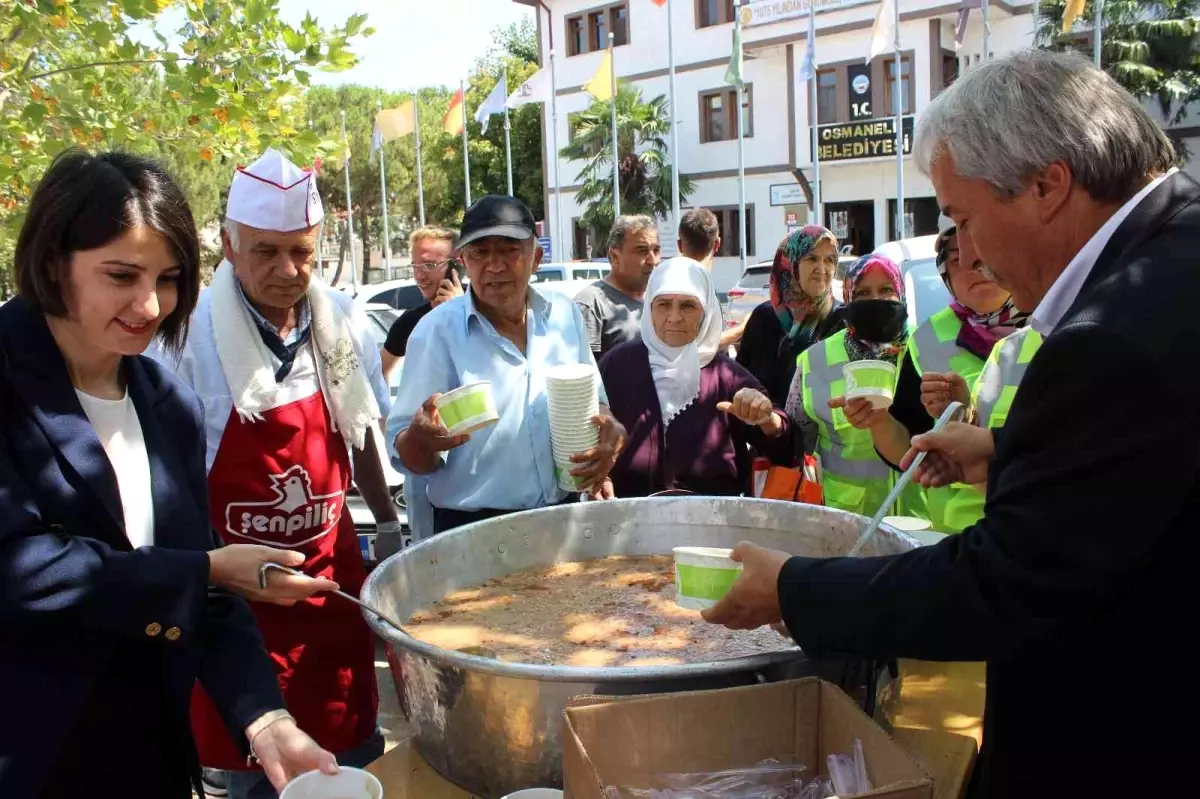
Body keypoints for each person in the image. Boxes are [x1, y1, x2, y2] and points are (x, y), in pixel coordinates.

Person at [703, 50, 1193, 798]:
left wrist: (794, 589)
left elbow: (1002, 584)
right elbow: (1139, 477)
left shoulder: (1109, 335)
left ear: (1047, 185)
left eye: (964, 218)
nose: (967, 252)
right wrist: (1004, 451)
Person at [0, 151, 337, 798]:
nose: (149, 304)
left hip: (148, 752)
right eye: (121, 275)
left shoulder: (164, 399)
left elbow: (197, 574)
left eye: (170, 277)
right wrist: (207, 570)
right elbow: (24, 567)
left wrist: (265, 717)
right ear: (51, 262)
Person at [162, 149, 395, 799]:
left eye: (302, 252)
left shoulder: (343, 320)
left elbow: (366, 432)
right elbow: (167, 488)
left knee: (353, 768)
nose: (288, 271)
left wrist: (392, 530)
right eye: (266, 252)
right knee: (259, 780)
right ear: (231, 248)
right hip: (236, 605)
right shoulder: (186, 338)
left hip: (330, 584)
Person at [389, 195, 626, 534]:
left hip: (561, 523)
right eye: (480, 252)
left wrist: (611, 433)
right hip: (471, 531)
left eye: (509, 250)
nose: (494, 266)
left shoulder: (563, 314)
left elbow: (595, 401)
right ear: (463, 261)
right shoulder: (434, 332)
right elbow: (410, 457)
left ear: (536, 257)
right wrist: (419, 438)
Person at [834, 216, 1027, 532]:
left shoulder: (1052, 324)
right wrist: (878, 420)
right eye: (958, 257)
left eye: (983, 249)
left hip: (1034, 528)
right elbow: (909, 450)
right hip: (953, 536)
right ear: (945, 271)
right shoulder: (926, 340)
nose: (974, 265)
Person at [599, 257, 791, 497]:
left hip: (712, 526)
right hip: (631, 525)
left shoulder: (726, 375)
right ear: (649, 307)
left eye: (688, 306)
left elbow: (786, 448)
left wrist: (766, 420)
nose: (674, 316)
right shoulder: (617, 365)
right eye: (663, 304)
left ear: (706, 310)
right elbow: (589, 430)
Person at [784, 254, 927, 518]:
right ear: (848, 299)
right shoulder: (815, 360)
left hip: (921, 522)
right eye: (862, 293)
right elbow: (796, 442)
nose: (876, 300)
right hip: (848, 523)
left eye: (886, 290)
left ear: (901, 295)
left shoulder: (927, 346)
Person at [736, 226, 847, 407]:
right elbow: (740, 381)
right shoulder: (764, 319)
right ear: (789, 263)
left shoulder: (841, 319)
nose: (822, 268)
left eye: (829, 260)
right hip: (766, 429)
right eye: (812, 258)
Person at [380, 225, 463, 382]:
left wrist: (458, 311)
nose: (419, 276)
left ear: (457, 265)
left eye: (429, 265)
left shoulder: (482, 309)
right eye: (415, 266)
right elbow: (378, 374)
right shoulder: (410, 321)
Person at [574, 214, 660, 358]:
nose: (653, 260)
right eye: (642, 251)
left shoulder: (661, 299)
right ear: (614, 256)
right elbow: (584, 370)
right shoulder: (592, 304)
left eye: (656, 250)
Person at [678, 207, 745, 351]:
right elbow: (700, 346)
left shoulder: (686, 280)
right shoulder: (687, 285)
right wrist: (743, 328)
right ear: (717, 244)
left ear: (680, 245)